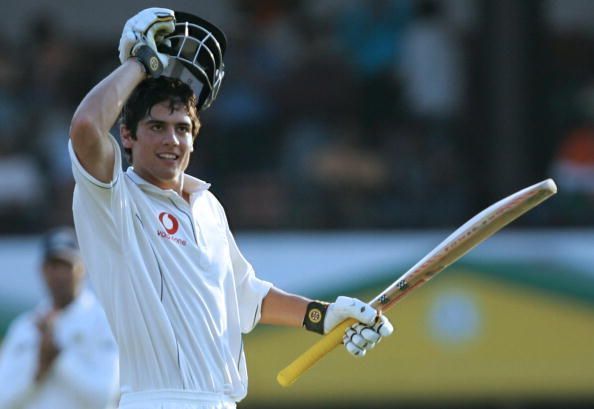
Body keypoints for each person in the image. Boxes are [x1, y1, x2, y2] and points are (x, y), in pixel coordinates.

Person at [68, 8, 394, 409]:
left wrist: (325, 317)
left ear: (195, 137)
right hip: (159, 400)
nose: (172, 140)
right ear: (128, 136)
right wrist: (139, 63)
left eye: (182, 128)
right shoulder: (114, 199)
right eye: (156, 127)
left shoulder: (207, 205)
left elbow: (247, 298)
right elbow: (85, 127)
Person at [0, 227, 119, 409]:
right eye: (53, 266)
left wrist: (58, 357)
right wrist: (37, 371)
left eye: (67, 266)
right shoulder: (25, 327)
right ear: (42, 270)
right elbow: (3, 397)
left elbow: (105, 395)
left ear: (82, 268)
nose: (59, 275)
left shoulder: (103, 322)